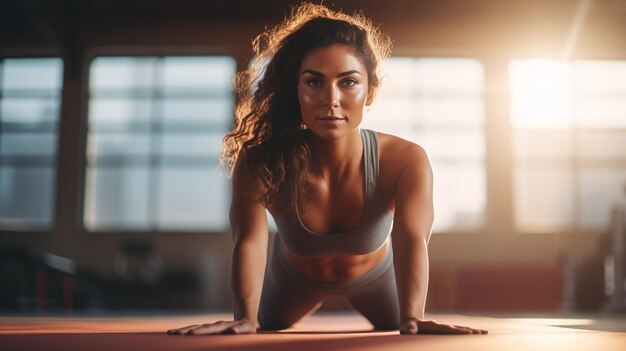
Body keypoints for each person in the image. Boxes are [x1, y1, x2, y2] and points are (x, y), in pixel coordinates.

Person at [168, 2, 487, 335]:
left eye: (348, 83)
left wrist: (414, 316)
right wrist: (244, 317)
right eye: (314, 82)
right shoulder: (262, 160)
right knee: (264, 326)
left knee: (405, 326)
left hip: (377, 281)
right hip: (291, 282)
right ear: (296, 90)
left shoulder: (405, 160)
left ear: (370, 91)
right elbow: (248, 241)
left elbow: (412, 238)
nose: (330, 99)